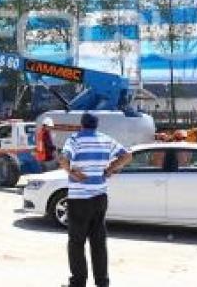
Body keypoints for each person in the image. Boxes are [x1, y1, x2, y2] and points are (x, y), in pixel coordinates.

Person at [60, 112, 132, 287]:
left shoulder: (75, 139)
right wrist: (110, 170)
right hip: (100, 197)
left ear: (82, 124)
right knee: (98, 242)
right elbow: (127, 155)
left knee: (76, 242)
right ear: (96, 125)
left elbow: (64, 159)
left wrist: (71, 172)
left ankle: (78, 282)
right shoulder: (106, 139)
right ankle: (102, 282)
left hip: (79, 199)